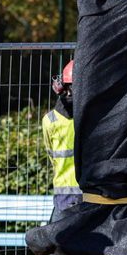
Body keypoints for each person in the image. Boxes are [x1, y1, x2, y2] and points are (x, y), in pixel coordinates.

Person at [41, 59, 81, 218]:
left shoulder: (50, 120)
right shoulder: (91, 118)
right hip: (91, 194)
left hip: (63, 196)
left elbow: (51, 155)